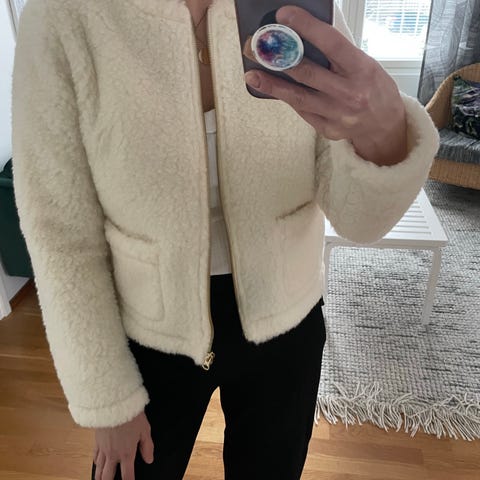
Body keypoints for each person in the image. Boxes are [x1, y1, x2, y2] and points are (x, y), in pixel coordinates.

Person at [10, 0, 439, 479]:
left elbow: (357, 220)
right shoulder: (65, 15)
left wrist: (384, 139)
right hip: (145, 334)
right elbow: (59, 232)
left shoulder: (294, 8)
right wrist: (106, 397)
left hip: (287, 325)